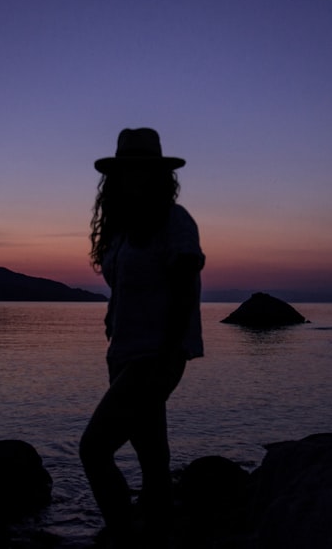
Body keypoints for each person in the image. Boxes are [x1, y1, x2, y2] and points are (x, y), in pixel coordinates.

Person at [80, 128, 205, 546]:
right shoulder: (119, 229)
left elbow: (186, 287)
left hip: (156, 355)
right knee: (153, 458)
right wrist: (111, 325)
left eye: (142, 170)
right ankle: (159, 532)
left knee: (94, 451)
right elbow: (124, 291)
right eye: (126, 170)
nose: (133, 177)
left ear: (158, 174)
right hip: (123, 353)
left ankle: (122, 536)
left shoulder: (174, 221)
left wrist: (170, 356)